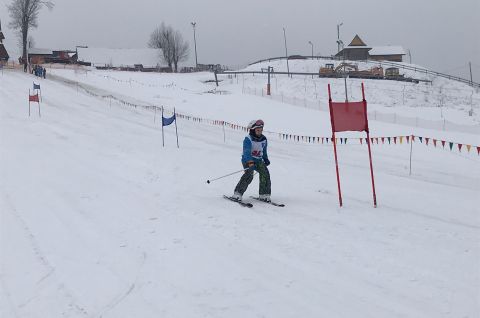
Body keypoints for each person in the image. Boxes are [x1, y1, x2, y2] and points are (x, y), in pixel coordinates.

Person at [232, 119, 271, 202]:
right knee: (249, 174)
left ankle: (264, 194)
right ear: (253, 130)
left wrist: (266, 159)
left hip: (258, 160)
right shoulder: (248, 139)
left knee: (265, 173)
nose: (260, 132)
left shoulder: (264, 139)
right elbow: (246, 152)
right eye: (257, 130)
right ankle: (237, 193)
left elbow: (264, 151)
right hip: (248, 159)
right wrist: (250, 162)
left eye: (261, 130)